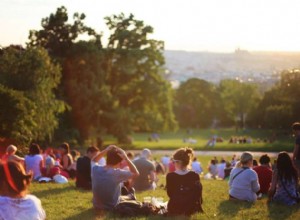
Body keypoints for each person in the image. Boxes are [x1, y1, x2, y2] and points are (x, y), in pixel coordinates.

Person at [92, 145, 139, 210]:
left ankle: (130, 196)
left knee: (120, 193)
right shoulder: (117, 173)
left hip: (96, 206)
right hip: (111, 206)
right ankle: (130, 196)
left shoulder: (95, 169)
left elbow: (94, 160)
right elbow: (136, 173)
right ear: (119, 162)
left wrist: (106, 150)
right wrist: (126, 158)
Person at [166, 147, 203, 216]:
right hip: (191, 208)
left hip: (175, 207)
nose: (173, 163)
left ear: (178, 162)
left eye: (173, 162)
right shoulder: (195, 175)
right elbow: (198, 194)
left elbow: (170, 194)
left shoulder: (170, 176)